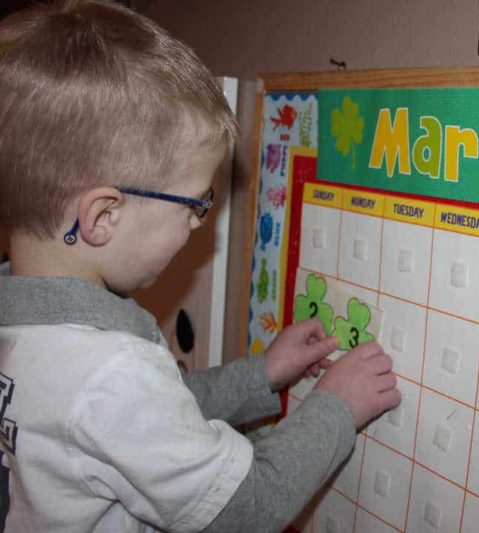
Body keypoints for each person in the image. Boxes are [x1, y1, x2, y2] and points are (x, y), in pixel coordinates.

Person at [0, 1, 401, 531]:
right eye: (194, 204)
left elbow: (150, 421)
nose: (198, 225)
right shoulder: (109, 372)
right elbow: (248, 506)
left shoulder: (33, 326)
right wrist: (335, 408)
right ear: (102, 215)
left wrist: (262, 375)